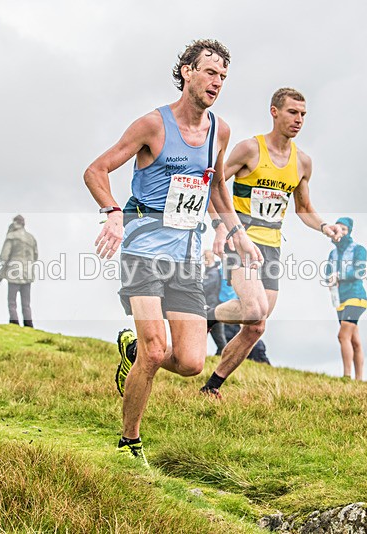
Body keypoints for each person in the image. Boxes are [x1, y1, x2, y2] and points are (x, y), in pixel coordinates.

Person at [83, 39, 262, 464]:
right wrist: (111, 212)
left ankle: (133, 352)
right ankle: (130, 443)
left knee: (190, 363)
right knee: (155, 349)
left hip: (185, 256)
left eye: (223, 76)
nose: (216, 82)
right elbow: (96, 170)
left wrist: (237, 232)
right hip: (143, 251)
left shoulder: (221, 130)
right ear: (186, 72)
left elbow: (216, 184)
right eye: (209, 72)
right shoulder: (152, 126)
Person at [202, 88, 341, 395]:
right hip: (241, 238)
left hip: (272, 246)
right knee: (253, 310)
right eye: (293, 112)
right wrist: (220, 226)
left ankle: (212, 385)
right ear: (275, 112)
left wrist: (325, 226)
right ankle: (209, 315)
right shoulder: (249, 149)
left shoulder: (302, 162)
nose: (299, 119)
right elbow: (211, 185)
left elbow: (304, 209)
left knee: (256, 325)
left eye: (303, 114)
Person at [325, 217, 367, 380]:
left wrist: (339, 276)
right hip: (339, 300)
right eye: (338, 228)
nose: (340, 231)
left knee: (342, 336)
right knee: (353, 340)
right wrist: (329, 279)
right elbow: (328, 273)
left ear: (349, 231)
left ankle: (347, 376)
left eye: (344, 229)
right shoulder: (332, 253)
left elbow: (359, 272)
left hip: (356, 297)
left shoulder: (359, 249)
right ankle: (359, 380)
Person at [0, 214, 38, 328]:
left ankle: (14, 323)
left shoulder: (11, 236)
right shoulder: (31, 238)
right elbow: (35, 256)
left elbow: (4, 256)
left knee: (12, 301)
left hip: (14, 272)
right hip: (28, 273)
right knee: (26, 303)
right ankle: (28, 324)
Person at [202, 249, 226, 355]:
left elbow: (204, 288)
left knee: (218, 337)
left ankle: (223, 354)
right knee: (218, 336)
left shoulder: (213, 273)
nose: (204, 261)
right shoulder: (211, 271)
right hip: (213, 308)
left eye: (205, 258)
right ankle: (221, 354)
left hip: (212, 308)